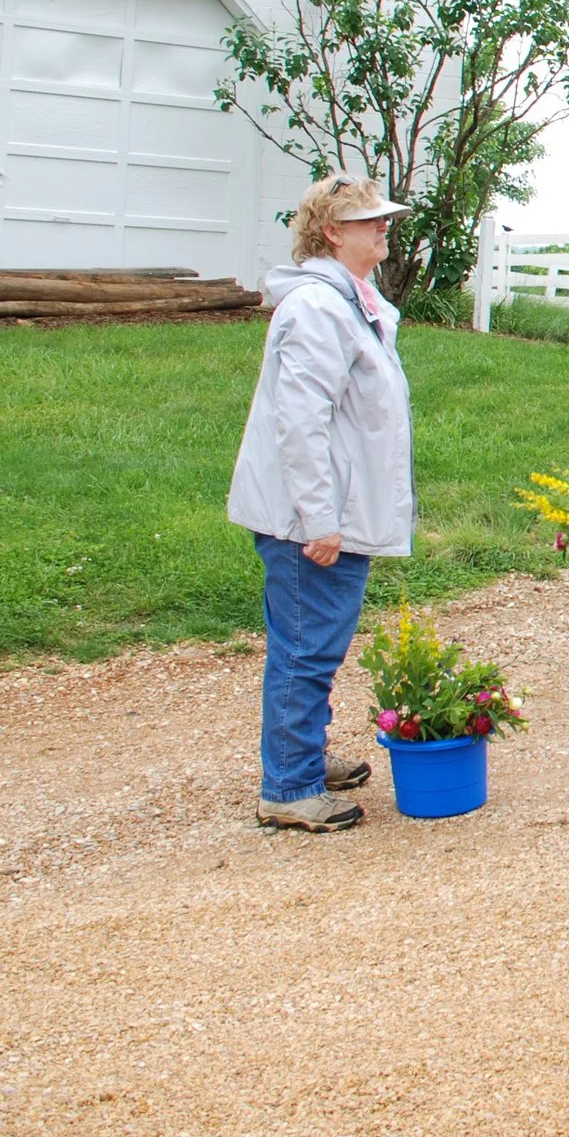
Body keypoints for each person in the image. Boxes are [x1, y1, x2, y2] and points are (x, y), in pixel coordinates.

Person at [227, 175, 417, 834]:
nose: (384, 228)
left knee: (317, 642)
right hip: (308, 519)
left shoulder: (349, 301)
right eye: (369, 220)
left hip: (330, 509)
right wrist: (320, 521)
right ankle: (289, 784)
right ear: (332, 232)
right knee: (306, 647)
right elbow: (300, 422)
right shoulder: (317, 308)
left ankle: (302, 755)